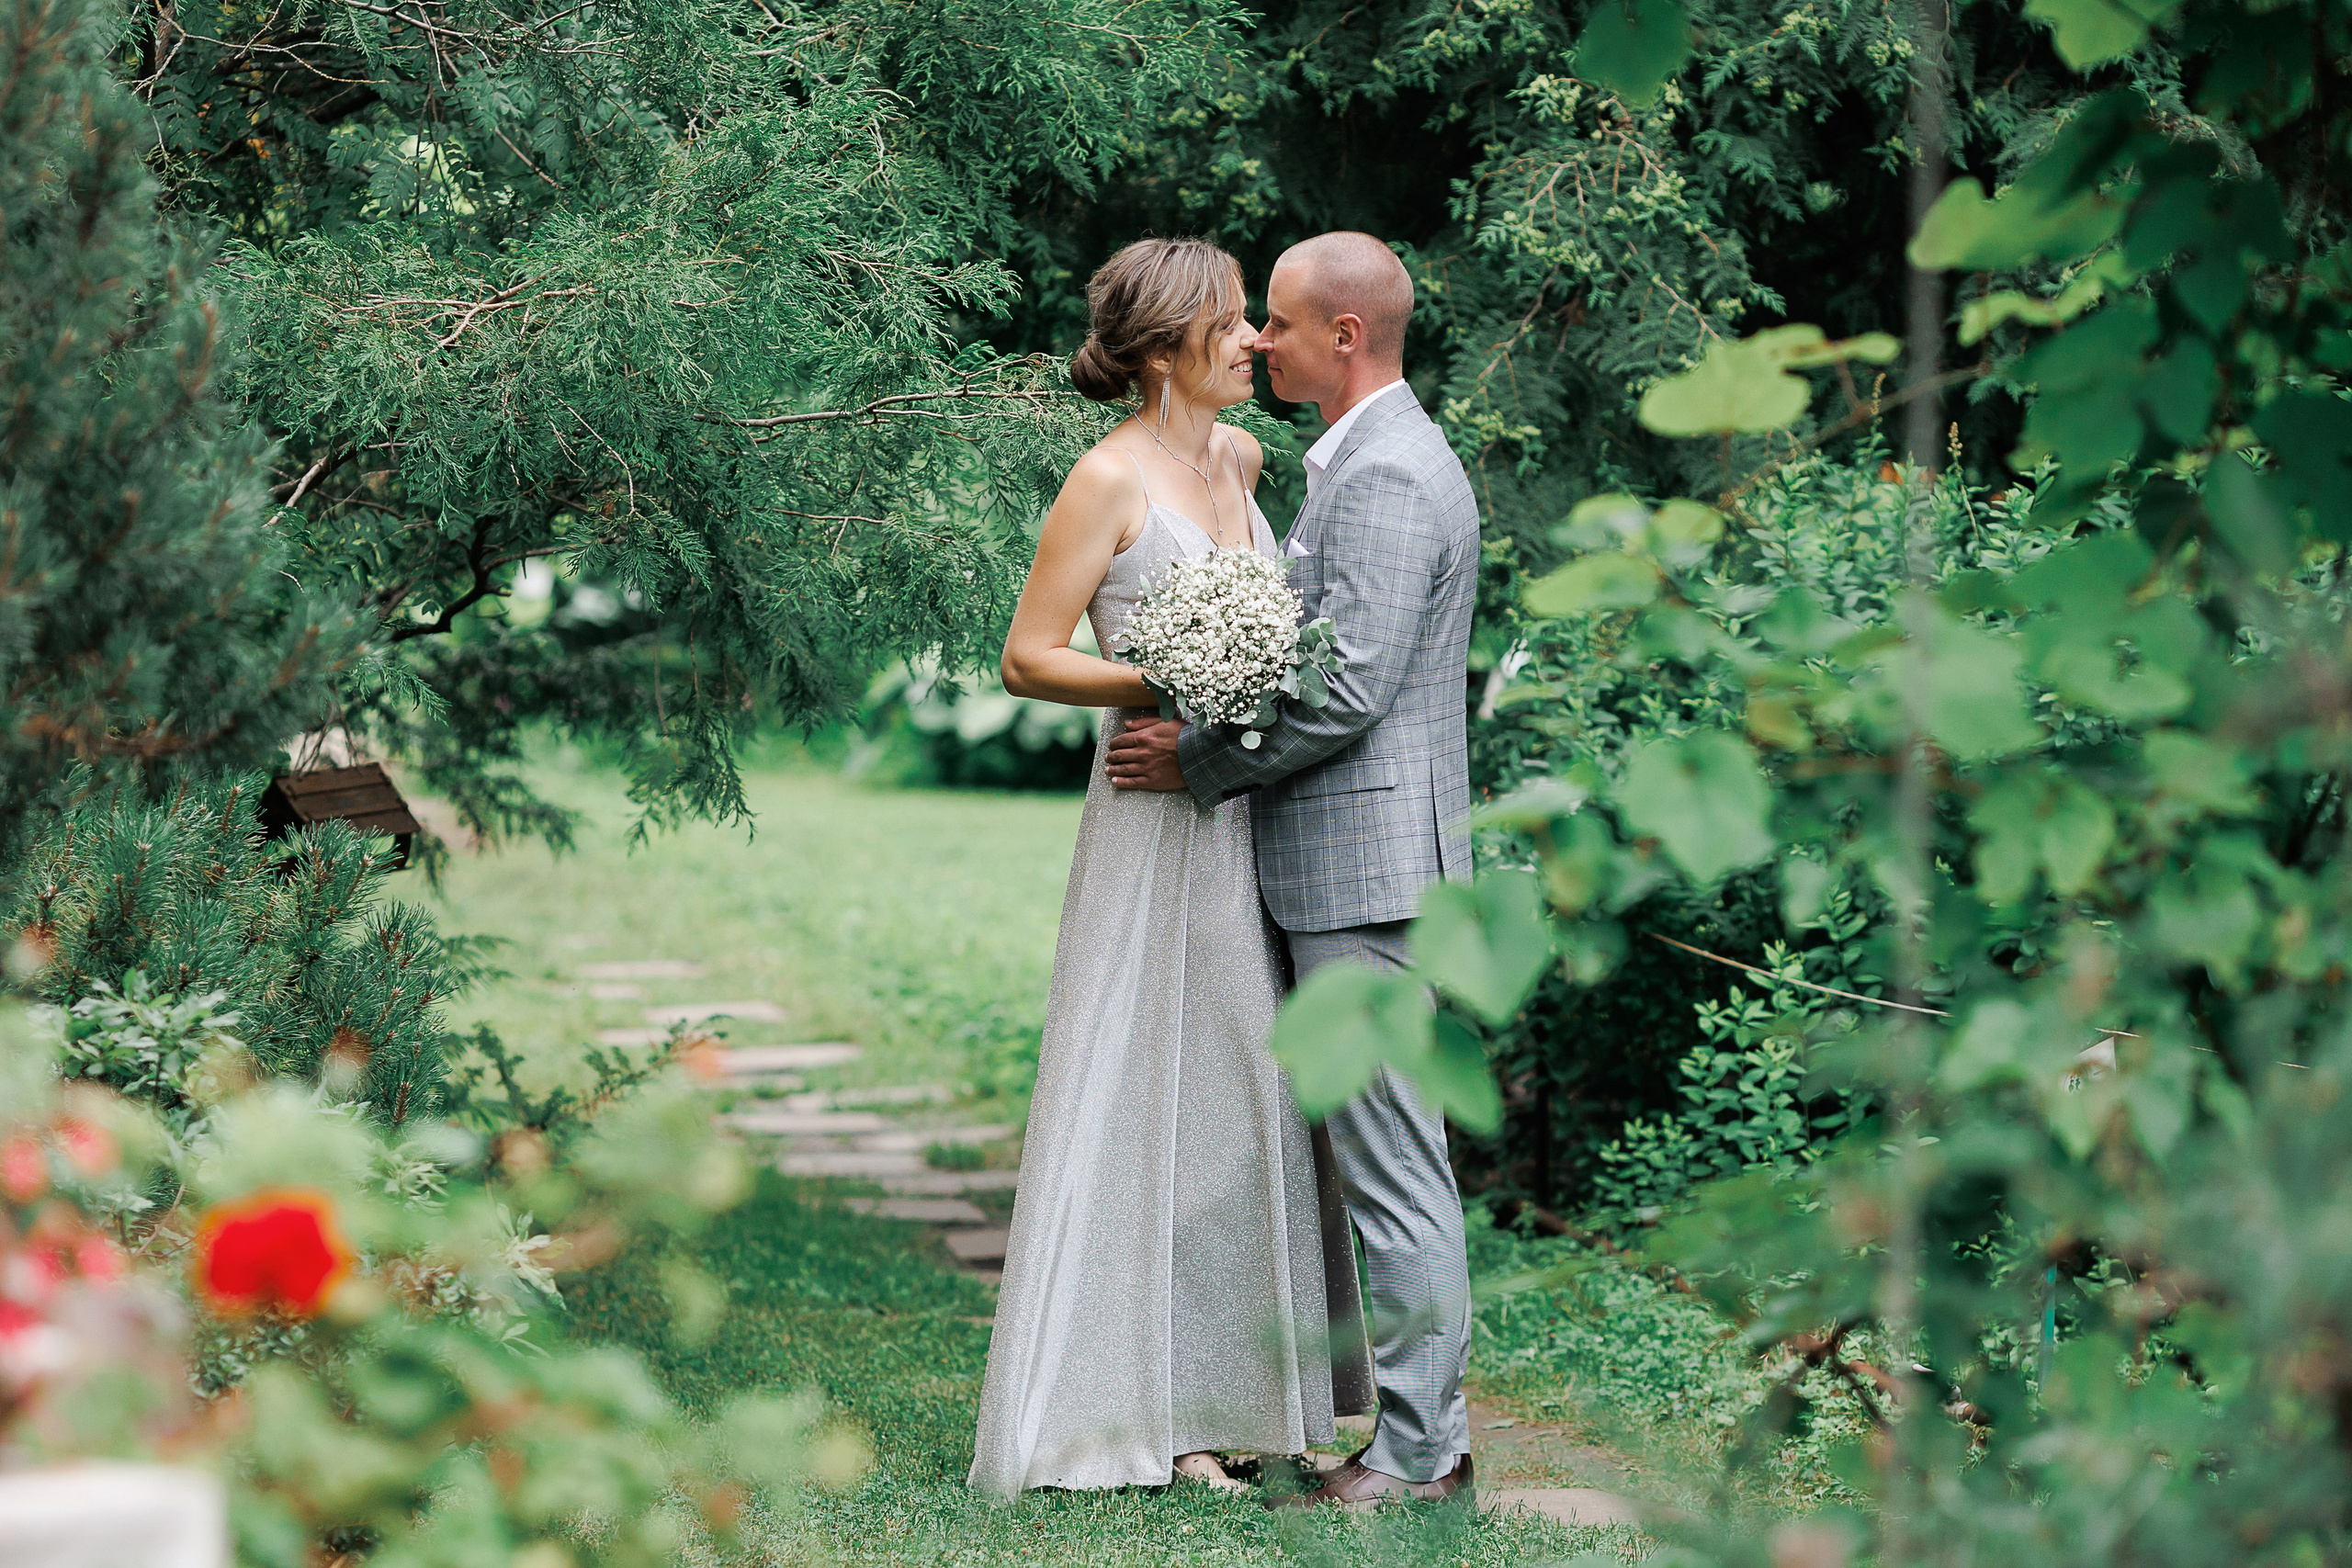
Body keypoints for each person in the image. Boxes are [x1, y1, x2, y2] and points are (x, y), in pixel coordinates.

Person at [967, 237, 1367, 1499]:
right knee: (1151, 1085)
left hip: (1241, 808)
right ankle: (1150, 1412)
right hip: (1150, 812)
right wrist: (1164, 677)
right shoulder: (1105, 479)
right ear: (1161, 346)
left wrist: (1249, 687)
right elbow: (1029, 657)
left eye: (1256, 320)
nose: (1256, 341)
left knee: (1248, 1097)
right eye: (1235, 322)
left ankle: (1246, 1394)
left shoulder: (1243, 460)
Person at [1103, 231, 1482, 1508]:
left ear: (1345, 336)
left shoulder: (1383, 479)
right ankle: (1401, 1434)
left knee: (1393, 1169)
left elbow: (1349, 690)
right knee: (1387, 1159)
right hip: (1366, 867)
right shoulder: (1371, 458)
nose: (1256, 341)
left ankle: (1423, 1456)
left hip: (1365, 872)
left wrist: (1200, 758)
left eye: (1274, 320)